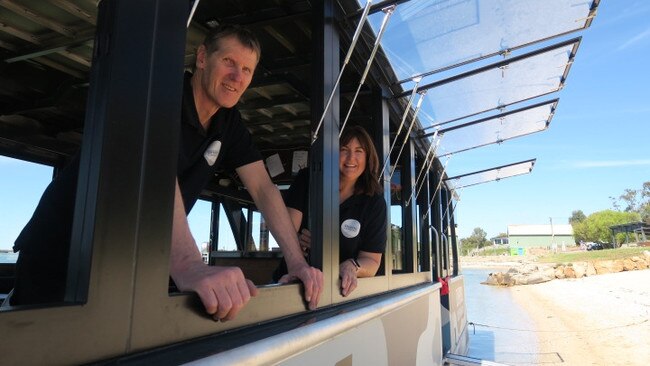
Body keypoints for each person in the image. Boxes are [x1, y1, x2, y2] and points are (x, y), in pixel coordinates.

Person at [10, 25, 323, 320]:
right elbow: (155, 168)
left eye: (247, 70)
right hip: (63, 248)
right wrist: (189, 264)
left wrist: (297, 262)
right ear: (202, 58)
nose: (236, 76)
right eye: (229, 61)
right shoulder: (159, 94)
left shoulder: (229, 124)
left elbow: (264, 188)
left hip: (125, 259)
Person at [276, 126, 387, 297]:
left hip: (339, 293)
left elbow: (372, 261)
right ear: (333, 154)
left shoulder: (374, 202)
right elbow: (287, 229)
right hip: (294, 286)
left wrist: (351, 265)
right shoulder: (308, 179)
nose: (351, 158)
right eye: (344, 149)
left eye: (359, 151)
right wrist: (295, 240)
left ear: (368, 157)